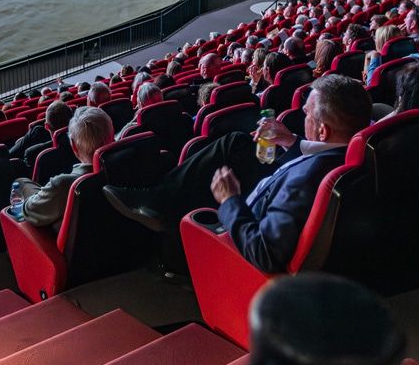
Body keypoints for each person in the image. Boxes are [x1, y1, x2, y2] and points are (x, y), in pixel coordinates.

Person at [102, 75, 372, 272]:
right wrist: (291, 141)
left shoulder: (304, 181)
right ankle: (159, 198)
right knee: (235, 143)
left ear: (323, 131)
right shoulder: (357, 154)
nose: (302, 114)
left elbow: (263, 253)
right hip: (273, 193)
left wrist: (229, 200)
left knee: (210, 181)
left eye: (308, 113)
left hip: (245, 232)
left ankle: (161, 211)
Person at [14, 107, 115, 229]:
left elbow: (29, 210)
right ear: (112, 134)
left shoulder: (63, 185)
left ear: (73, 145)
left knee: (20, 183)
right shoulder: (127, 164)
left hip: (60, 238)